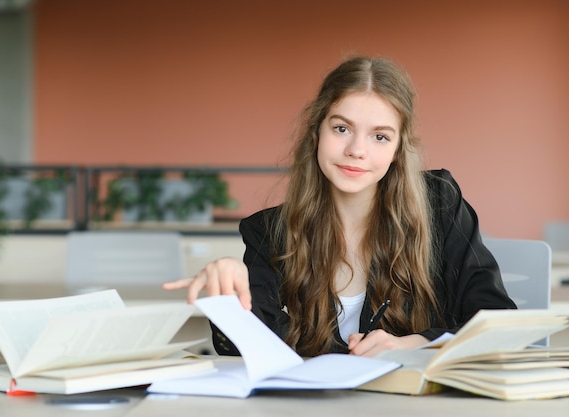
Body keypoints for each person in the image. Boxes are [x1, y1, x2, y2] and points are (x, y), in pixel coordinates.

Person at [164, 56, 516, 358]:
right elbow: (249, 349)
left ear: (397, 150)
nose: (357, 150)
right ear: (317, 132)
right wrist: (230, 297)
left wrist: (418, 344)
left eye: (380, 136)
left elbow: (497, 319)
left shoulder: (439, 205)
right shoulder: (270, 232)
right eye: (342, 128)